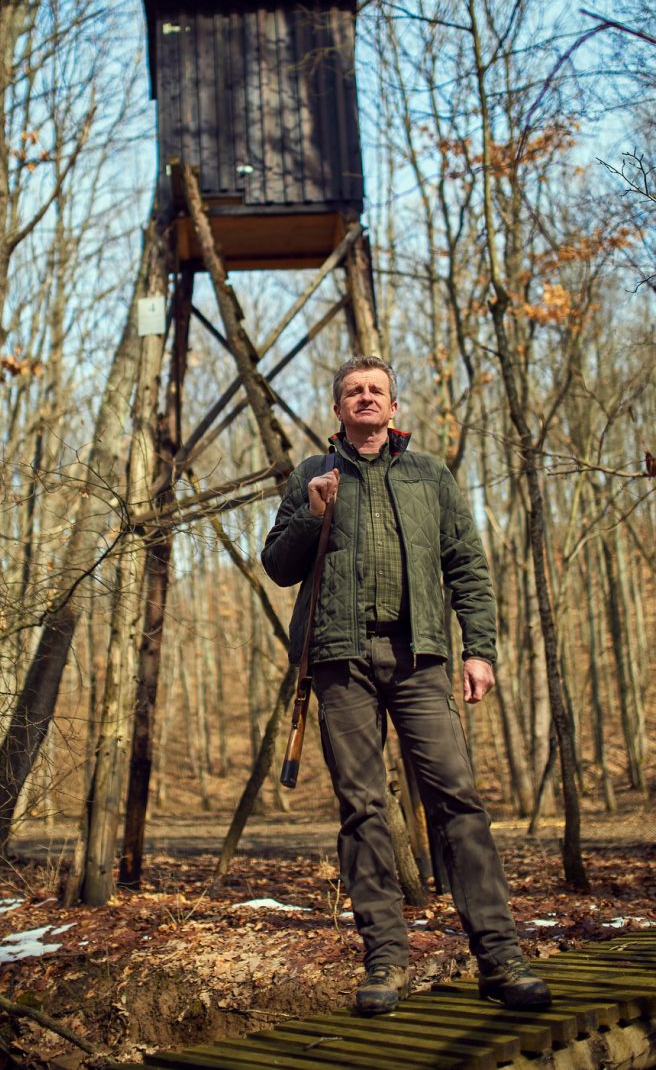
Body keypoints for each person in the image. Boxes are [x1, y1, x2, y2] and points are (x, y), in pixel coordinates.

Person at [261, 355, 552, 1017]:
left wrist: (479, 649)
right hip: (340, 661)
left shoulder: (430, 475)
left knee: (459, 799)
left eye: (376, 391)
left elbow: (466, 564)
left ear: (393, 408)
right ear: (337, 408)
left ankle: (500, 957)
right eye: (353, 392)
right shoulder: (311, 474)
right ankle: (386, 960)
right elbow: (278, 565)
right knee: (363, 810)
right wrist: (310, 513)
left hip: (420, 655)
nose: (365, 399)